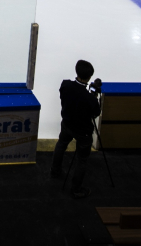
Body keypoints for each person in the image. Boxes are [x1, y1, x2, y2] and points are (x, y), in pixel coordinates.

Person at [50, 59, 102, 199]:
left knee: (61, 145)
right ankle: (76, 189)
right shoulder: (89, 98)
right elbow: (96, 112)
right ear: (89, 77)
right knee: (82, 160)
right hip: (83, 131)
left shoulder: (65, 84)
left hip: (67, 124)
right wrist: (94, 96)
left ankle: (55, 171)